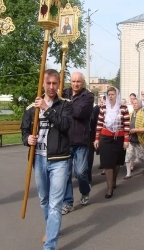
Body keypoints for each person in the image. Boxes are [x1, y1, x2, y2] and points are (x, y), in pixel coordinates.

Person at [21, 69, 73, 249]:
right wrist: (27, 139)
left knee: (55, 203)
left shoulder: (65, 105)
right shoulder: (30, 109)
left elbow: (66, 125)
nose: (51, 87)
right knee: (44, 199)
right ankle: (51, 228)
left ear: (59, 84)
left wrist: (47, 109)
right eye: (48, 83)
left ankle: (50, 245)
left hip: (59, 159)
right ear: (43, 84)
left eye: (54, 83)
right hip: (38, 159)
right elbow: (24, 131)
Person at [62, 72, 94, 215]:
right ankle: (68, 202)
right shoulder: (63, 93)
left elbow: (80, 112)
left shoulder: (88, 96)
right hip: (65, 140)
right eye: (73, 81)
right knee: (65, 174)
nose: (75, 84)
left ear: (83, 83)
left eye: (78, 81)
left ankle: (85, 190)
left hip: (81, 140)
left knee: (80, 172)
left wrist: (65, 106)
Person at [94, 86, 129, 199]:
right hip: (105, 138)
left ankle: (113, 180)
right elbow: (99, 124)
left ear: (117, 95)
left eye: (113, 94)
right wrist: (97, 138)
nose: (111, 96)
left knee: (117, 163)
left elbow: (127, 125)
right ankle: (109, 188)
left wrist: (126, 140)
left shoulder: (123, 108)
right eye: (109, 94)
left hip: (119, 138)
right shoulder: (103, 108)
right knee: (108, 164)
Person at [123, 98, 144, 179]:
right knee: (128, 156)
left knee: (143, 157)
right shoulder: (130, 114)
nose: (134, 105)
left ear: (140, 104)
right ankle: (128, 174)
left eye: (136, 103)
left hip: (139, 139)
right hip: (131, 139)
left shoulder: (143, 115)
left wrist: (136, 130)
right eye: (133, 103)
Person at [89, 96, 105, 181]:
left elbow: (95, 121)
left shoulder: (95, 109)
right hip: (84, 135)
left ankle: (104, 166)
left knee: (93, 153)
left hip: (95, 133)